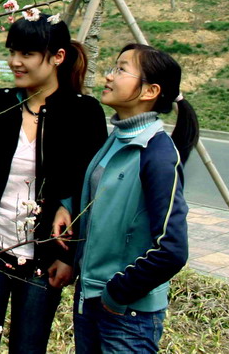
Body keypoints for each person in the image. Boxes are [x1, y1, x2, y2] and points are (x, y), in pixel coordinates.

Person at [0, 14, 107, 354]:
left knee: (28, 349)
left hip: (45, 257)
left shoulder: (84, 113)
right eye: (12, 52)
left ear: (58, 56)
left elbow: (88, 192)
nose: (15, 62)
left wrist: (68, 257)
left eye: (27, 54)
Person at [53, 44, 197, 354]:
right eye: (113, 68)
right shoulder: (117, 138)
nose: (109, 76)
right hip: (91, 298)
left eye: (121, 69)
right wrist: (68, 207)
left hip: (127, 313)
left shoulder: (157, 154)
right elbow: (104, 199)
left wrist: (116, 293)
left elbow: (172, 250)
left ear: (150, 91)